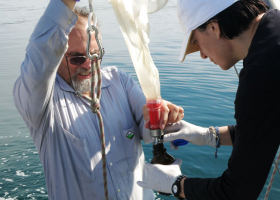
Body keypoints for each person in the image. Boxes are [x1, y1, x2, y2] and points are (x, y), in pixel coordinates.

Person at [13, 0, 184, 199]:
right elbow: (39, 54)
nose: (88, 64)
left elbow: (148, 130)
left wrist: (163, 115)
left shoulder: (119, 81)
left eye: (94, 55)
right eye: (77, 58)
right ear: (56, 56)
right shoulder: (41, 104)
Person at [137, 0, 280, 199]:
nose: (202, 55)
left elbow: (236, 193)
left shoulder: (261, 74)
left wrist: (177, 185)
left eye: (195, 42)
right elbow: (263, 129)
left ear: (213, 28)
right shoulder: (273, 32)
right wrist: (209, 135)